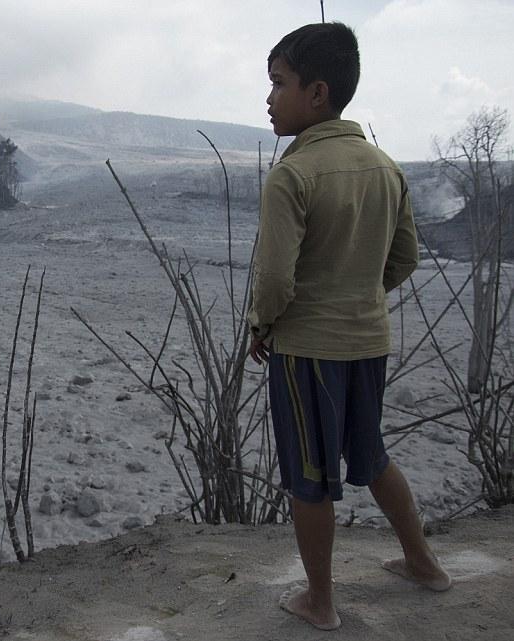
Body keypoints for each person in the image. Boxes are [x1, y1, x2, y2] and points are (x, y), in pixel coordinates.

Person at [247, 22, 452, 631]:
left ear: (317, 94)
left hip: (307, 348)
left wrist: (261, 325)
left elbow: (276, 281)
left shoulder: (292, 174)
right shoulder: (385, 166)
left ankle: (321, 601)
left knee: (309, 476)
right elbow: (406, 258)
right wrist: (359, 293)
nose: (268, 97)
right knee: (372, 455)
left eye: (278, 83)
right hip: (369, 341)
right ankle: (424, 564)